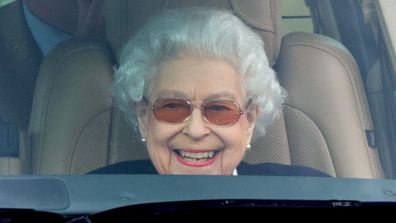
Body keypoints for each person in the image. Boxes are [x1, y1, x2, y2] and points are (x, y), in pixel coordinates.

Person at [91, 7, 328, 176]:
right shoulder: (93, 197)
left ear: (249, 120)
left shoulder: (308, 195)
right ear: (144, 118)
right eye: (172, 107)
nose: (195, 130)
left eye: (219, 109)